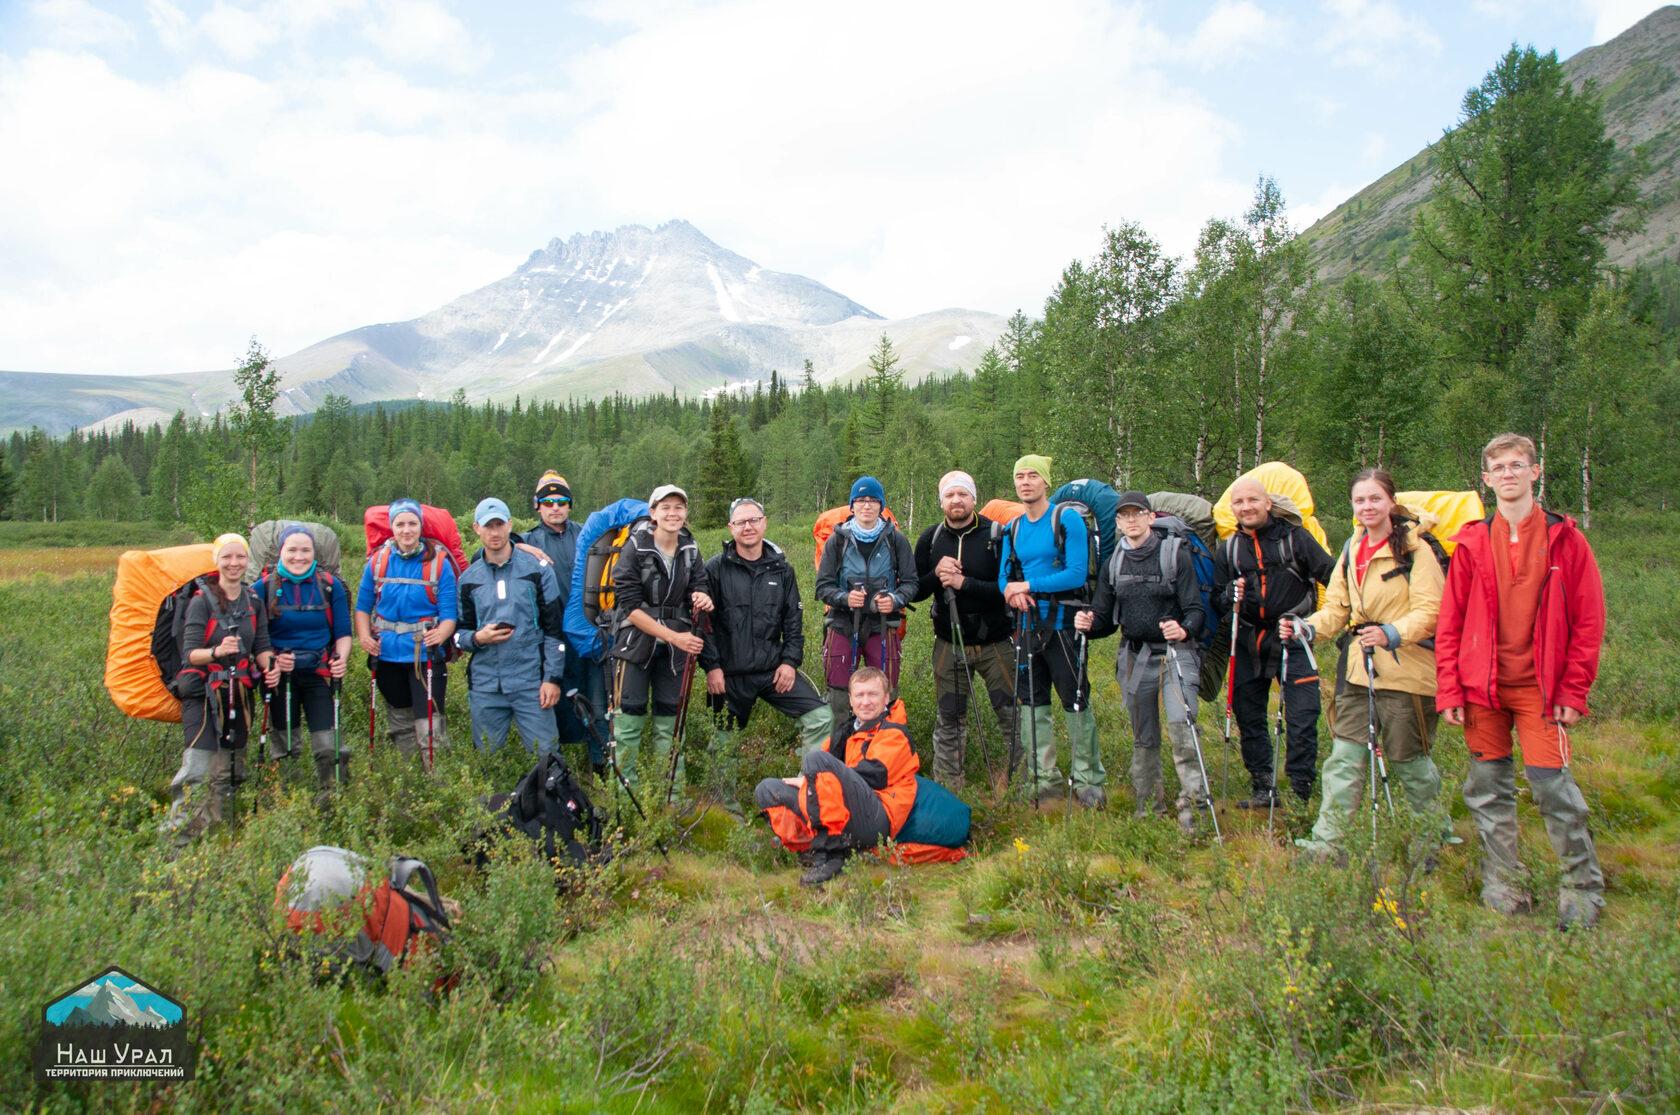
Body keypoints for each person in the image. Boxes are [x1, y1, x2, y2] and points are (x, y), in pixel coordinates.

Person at [1436, 433, 1607, 929]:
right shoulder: (1470, 541)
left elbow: (1589, 621)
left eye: (1517, 466)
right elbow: (1451, 621)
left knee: (1553, 789)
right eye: (1498, 468)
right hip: (1481, 689)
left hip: (1542, 690)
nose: (1508, 475)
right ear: (1486, 480)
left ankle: (1581, 886)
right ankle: (1503, 880)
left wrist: (1575, 689)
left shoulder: (1566, 540)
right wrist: (1450, 688)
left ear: (1535, 472)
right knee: (1488, 789)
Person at [1281, 470, 1445, 858]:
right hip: (1358, 670)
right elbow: (1336, 608)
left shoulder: (1416, 550)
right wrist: (1306, 628)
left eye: (1375, 499)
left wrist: (1391, 633)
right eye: (1360, 500)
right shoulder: (1353, 548)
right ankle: (1327, 844)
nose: (1367, 507)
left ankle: (1431, 838)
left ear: (1391, 502)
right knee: (1344, 757)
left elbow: (1431, 610)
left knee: (1409, 762)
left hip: (1408, 669)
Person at [1075, 492, 1208, 829]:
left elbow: (1196, 609)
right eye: (1124, 516)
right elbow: (1104, 618)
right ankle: (1148, 805)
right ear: (1118, 523)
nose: (1131, 520)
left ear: (1151, 517)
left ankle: (1194, 809)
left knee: (1182, 730)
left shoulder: (1175, 554)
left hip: (1176, 656)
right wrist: (1088, 623)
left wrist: (1185, 628)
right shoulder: (1114, 562)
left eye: (1138, 514)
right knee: (1143, 736)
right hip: (1134, 657)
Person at [1214, 476, 1335, 808]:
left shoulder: (1296, 539)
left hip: (1292, 636)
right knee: (1248, 716)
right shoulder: (1229, 549)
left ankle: (1300, 791)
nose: (1246, 507)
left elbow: (1332, 576)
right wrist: (1228, 595)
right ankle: (1263, 788)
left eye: (1253, 500)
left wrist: (1318, 623)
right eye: (1238, 503)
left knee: (1302, 715)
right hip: (1248, 638)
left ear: (1268, 503)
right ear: (1232, 508)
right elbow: (1216, 599)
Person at [700, 498, 832, 788]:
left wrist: (789, 662)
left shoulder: (782, 569)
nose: (748, 527)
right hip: (729, 676)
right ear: (730, 527)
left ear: (764, 522)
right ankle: (725, 806)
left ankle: (807, 790)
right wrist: (712, 667)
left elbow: (792, 621)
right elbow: (703, 626)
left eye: (754, 520)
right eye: (741, 522)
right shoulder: (714, 569)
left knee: (821, 716)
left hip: (773, 672)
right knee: (723, 743)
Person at [998, 454, 1103, 807]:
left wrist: (1026, 586)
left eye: (1032, 476)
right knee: (1031, 701)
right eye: (1019, 476)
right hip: (1026, 626)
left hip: (1063, 625)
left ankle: (1089, 780)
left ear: (1046, 482)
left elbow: (1075, 573)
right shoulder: (1013, 527)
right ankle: (1044, 781)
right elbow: (1004, 577)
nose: (1025, 482)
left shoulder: (1067, 519)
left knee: (1075, 698)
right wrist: (1012, 594)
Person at [754, 668, 920, 887]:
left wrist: (815, 780)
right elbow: (824, 783)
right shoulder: (845, 734)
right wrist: (811, 784)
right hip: (845, 815)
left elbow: (874, 776)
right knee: (767, 790)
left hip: (876, 820)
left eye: (873, 694)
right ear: (850, 700)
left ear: (886, 698)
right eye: (859, 695)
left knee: (816, 759)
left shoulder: (895, 734)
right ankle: (812, 847)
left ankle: (829, 857)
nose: (866, 702)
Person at [911, 470, 1020, 790]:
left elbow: (1011, 587)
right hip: (948, 643)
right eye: (949, 495)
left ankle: (1024, 781)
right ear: (941, 501)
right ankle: (948, 786)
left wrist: (964, 583)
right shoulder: (930, 539)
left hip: (995, 642)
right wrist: (936, 575)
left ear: (974, 498)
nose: (956, 500)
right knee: (949, 718)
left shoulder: (997, 535)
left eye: (962, 494)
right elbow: (915, 591)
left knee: (1012, 714)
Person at [162, 533, 274, 843]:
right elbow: (190, 653)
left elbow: (261, 646)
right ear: (217, 561)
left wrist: (272, 663)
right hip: (202, 693)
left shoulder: (254, 601)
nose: (234, 563)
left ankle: (218, 839)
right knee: (196, 769)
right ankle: (178, 843)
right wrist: (217, 652)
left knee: (228, 772)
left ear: (247, 560)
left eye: (240, 557)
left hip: (237, 693)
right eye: (227, 557)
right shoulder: (201, 602)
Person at [609, 484, 713, 789]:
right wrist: (674, 637)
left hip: (673, 653)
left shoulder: (690, 549)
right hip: (634, 646)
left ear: (686, 513)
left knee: (670, 725)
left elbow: (700, 583)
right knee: (629, 724)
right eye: (665, 507)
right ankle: (627, 798)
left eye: (678, 507)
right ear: (652, 513)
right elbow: (628, 607)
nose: (672, 513)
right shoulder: (634, 548)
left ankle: (672, 797)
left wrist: (703, 597)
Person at [453, 497, 567, 755]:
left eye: (500, 525)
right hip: (485, 686)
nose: (495, 532)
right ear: (476, 529)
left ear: (510, 525)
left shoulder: (537, 570)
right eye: (488, 526)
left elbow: (554, 630)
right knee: (486, 761)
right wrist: (478, 638)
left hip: (532, 683)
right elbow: (458, 635)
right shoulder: (468, 580)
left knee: (547, 757)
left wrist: (552, 678)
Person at [355, 498, 458, 760]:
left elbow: (449, 614)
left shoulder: (439, 563)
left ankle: (438, 783)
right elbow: (363, 606)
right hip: (387, 655)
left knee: (430, 725)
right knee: (400, 722)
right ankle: (412, 780)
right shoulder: (377, 562)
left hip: (424, 656)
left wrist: (442, 634)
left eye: (412, 523)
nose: (406, 530)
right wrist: (365, 636)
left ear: (421, 527)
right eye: (400, 524)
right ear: (392, 528)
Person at [513, 471, 601, 771]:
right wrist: (517, 545)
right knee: (553, 706)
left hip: (590, 636)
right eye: (548, 501)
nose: (555, 507)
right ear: (537, 506)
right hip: (550, 641)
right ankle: (557, 775)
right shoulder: (528, 541)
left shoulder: (587, 534)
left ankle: (598, 769)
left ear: (570, 504)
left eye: (562, 501)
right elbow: (483, 555)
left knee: (596, 704)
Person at [255, 525, 352, 789]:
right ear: (280, 552)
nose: (299, 557)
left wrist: (341, 659)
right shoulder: (261, 588)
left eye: (306, 550)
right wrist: (272, 659)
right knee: (285, 747)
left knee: (329, 746)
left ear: (314, 553)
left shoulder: (330, 586)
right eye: (292, 550)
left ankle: (334, 802)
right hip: (278, 678)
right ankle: (286, 801)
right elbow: (255, 639)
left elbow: (343, 632)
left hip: (319, 674)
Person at [814, 477, 917, 724]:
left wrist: (894, 599)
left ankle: (883, 752)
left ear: (881, 505)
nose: (866, 505)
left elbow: (911, 583)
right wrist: (845, 598)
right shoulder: (837, 540)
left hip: (883, 626)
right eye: (860, 500)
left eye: (873, 500)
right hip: (842, 624)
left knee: (885, 694)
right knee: (838, 696)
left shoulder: (896, 539)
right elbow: (823, 586)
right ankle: (840, 752)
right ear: (852, 505)